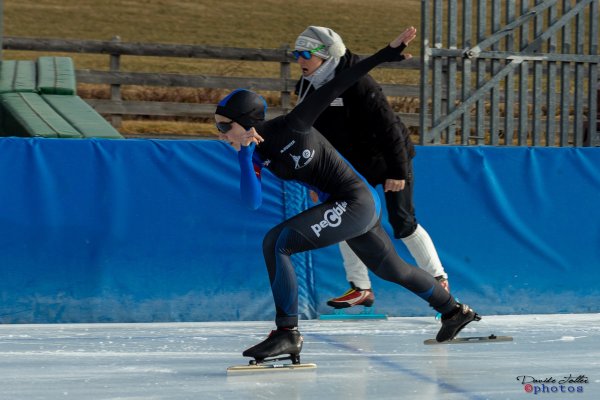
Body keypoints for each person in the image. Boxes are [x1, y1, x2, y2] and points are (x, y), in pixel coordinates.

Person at [214, 27, 479, 364]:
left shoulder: (293, 124)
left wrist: (385, 54)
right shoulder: (253, 154)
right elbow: (251, 202)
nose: (221, 135)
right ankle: (454, 311)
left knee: (277, 242)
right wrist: (243, 157)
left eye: (225, 126)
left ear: (247, 122)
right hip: (347, 204)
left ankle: (287, 332)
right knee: (392, 269)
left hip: (355, 200)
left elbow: (341, 82)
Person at [293, 26, 450, 310]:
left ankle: (439, 280)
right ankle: (360, 288)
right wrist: (318, 181)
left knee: (403, 222)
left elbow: (390, 128)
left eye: (306, 54)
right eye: (296, 54)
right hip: (353, 163)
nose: (300, 61)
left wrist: (397, 171)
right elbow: (314, 136)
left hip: (389, 158)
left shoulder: (359, 83)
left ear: (327, 55)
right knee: (346, 220)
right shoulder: (306, 86)